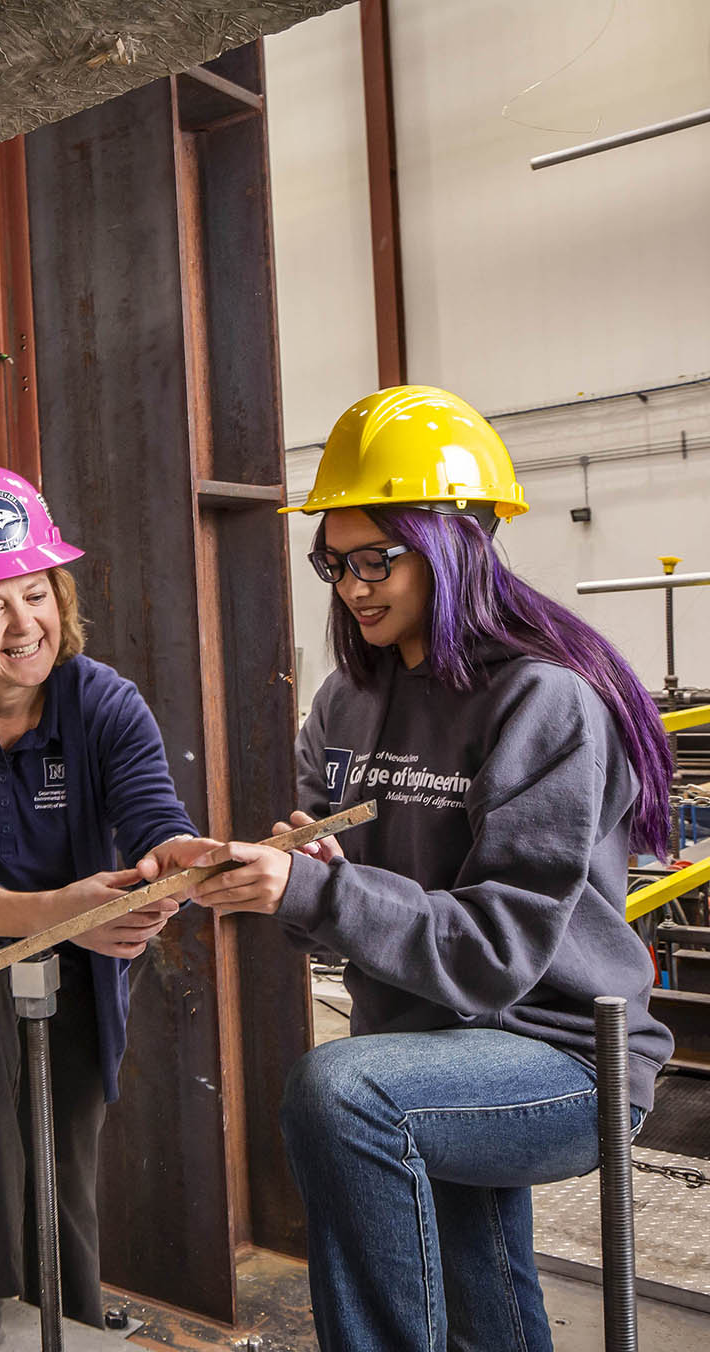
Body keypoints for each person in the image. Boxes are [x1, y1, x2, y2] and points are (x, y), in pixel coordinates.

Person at [187, 385, 674, 1351]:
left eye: (379, 559)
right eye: (335, 562)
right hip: (425, 1047)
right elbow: (326, 908)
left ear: (457, 544)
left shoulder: (545, 701)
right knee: (487, 1300)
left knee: (342, 1092)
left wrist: (324, 890)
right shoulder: (342, 705)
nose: (354, 586)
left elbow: (500, 949)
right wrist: (285, 877)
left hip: (557, 1055)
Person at [0, 461, 204, 1346]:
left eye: (37, 594)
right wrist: (57, 912)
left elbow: (154, 817)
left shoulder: (105, 703)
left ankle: (76, 1312)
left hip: (75, 941)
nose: (26, 626)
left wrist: (179, 861)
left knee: (69, 1124)